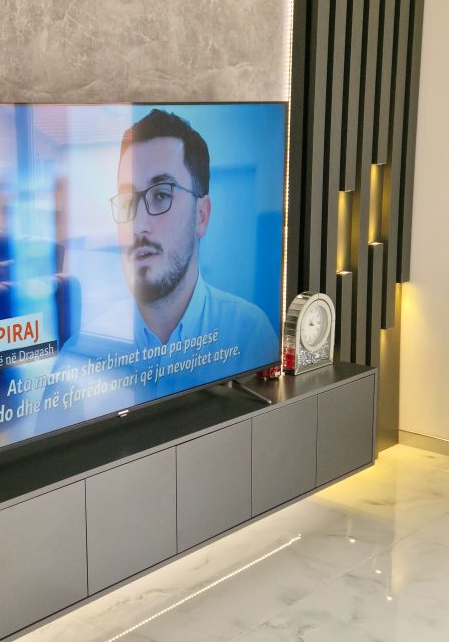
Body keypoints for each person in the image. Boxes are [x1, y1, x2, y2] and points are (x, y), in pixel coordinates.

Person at [37, 107, 279, 429]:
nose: (138, 224)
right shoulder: (78, 358)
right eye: (128, 202)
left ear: (201, 216)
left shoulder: (250, 336)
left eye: (162, 195)